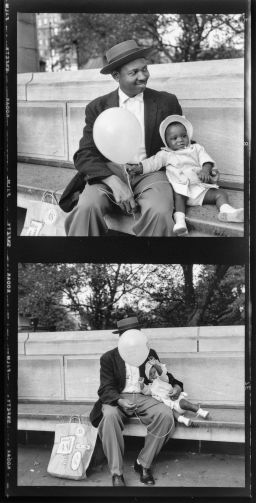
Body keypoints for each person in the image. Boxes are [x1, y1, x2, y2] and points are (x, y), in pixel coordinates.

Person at [59, 40, 182, 236]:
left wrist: (202, 166)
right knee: (86, 209)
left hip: (151, 171)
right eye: (134, 73)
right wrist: (114, 181)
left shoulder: (167, 102)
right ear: (116, 76)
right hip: (108, 173)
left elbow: (181, 144)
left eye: (145, 69)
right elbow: (84, 154)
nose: (143, 76)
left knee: (159, 212)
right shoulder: (98, 108)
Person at [89, 316, 183, 487]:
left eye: (135, 332)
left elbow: (163, 375)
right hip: (117, 398)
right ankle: (117, 473)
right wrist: (119, 401)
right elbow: (106, 388)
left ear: (139, 334)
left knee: (166, 416)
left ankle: (143, 464)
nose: (132, 337)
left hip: (144, 396)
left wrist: (176, 386)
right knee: (109, 418)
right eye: (127, 333)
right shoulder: (108, 357)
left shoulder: (149, 354)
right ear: (121, 336)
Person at [127, 115, 244, 236]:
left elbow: (207, 161)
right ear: (166, 141)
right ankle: (180, 222)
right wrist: (139, 168)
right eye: (174, 138)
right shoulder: (165, 154)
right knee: (178, 195)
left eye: (184, 136)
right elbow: (152, 163)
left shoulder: (196, 148)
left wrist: (205, 170)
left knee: (220, 194)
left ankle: (226, 211)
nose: (180, 140)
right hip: (181, 190)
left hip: (199, 189)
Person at [141, 357, 209, 427]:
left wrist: (155, 365)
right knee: (171, 412)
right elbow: (145, 391)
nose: (153, 375)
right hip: (168, 405)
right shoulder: (151, 387)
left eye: (154, 372)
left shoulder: (163, 379)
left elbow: (161, 373)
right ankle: (183, 420)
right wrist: (141, 384)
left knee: (186, 403)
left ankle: (200, 411)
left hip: (176, 399)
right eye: (151, 374)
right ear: (148, 377)